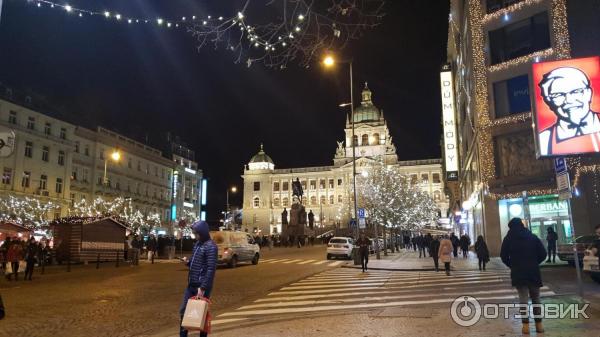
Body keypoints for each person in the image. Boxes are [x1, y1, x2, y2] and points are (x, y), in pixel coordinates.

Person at [537, 67, 600, 156]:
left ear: (588, 93)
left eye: (576, 91)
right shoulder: (544, 140)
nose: (569, 100)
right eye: (558, 95)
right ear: (549, 102)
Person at [500, 218, 547, 334]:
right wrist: (535, 263)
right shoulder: (532, 236)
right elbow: (543, 253)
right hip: (533, 272)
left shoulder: (508, 238)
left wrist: (512, 265)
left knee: (523, 299)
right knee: (536, 298)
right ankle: (539, 325)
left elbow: (503, 256)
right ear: (522, 225)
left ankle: (525, 326)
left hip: (518, 272)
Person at [179, 221, 217, 337]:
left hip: (201, 286)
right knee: (183, 311)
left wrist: (203, 287)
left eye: (196, 233)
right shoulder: (197, 244)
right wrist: (188, 262)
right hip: (191, 284)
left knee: (202, 314)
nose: (195, 235)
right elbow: (195, 262)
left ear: (203, 233)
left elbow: (211, 269)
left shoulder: (211, 246)